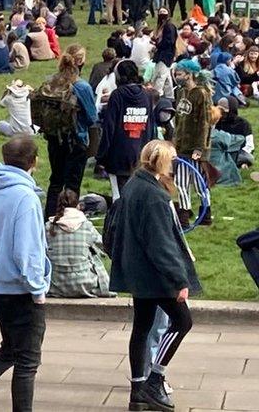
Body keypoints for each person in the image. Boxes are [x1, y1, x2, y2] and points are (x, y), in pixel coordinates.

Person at [108, 140, 200, 412]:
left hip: (137, 271)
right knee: (182, 322)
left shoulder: (133, 186)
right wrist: (179, 280)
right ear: (162, 162)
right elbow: (161, 244)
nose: (173, 165)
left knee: (142, 326)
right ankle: (155, 378)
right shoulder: (155, 196)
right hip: (155, 275)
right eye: (170, 160)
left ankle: (138, 389)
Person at [0, 136, 50, 411]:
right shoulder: (26, 198)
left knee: (9, 351)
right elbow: (27, 251)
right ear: (34, 162)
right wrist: (38, 290)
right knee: (27, 361)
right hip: (22, 292)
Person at [41, 45, 98, 217]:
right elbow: (91, 117)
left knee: (56, 180)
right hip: (76, 139)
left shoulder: (51, 81)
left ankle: (49, 219)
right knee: (72, 184)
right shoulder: (81, 86)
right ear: (81, 61)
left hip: (53, 137)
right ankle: (69, 221)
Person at [96, 60, 154, 199]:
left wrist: (101, 156)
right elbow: (151, 126)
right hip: (141, 153)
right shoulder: (146, 95)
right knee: (137, 196)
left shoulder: (117, 95)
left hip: (118, 154)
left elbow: (109, 127)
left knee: (119, 197)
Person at [45, 189, 113, 298]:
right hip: (84, 283)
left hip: (55, 284)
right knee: (93, 253)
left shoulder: (49, 226)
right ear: (78, 206)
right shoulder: (87, 226)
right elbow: (104, 245)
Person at [172, 59, 213, 228]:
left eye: (180, 74)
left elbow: (205, 123)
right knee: (180, 183)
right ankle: (184, 216)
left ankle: (206, 213)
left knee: (199, 183)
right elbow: (178, 119)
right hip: (180, 146)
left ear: (189, 75)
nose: (177, 77)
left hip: (196, 147)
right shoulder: (180, 92)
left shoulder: (201, 94)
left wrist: (199, 148)